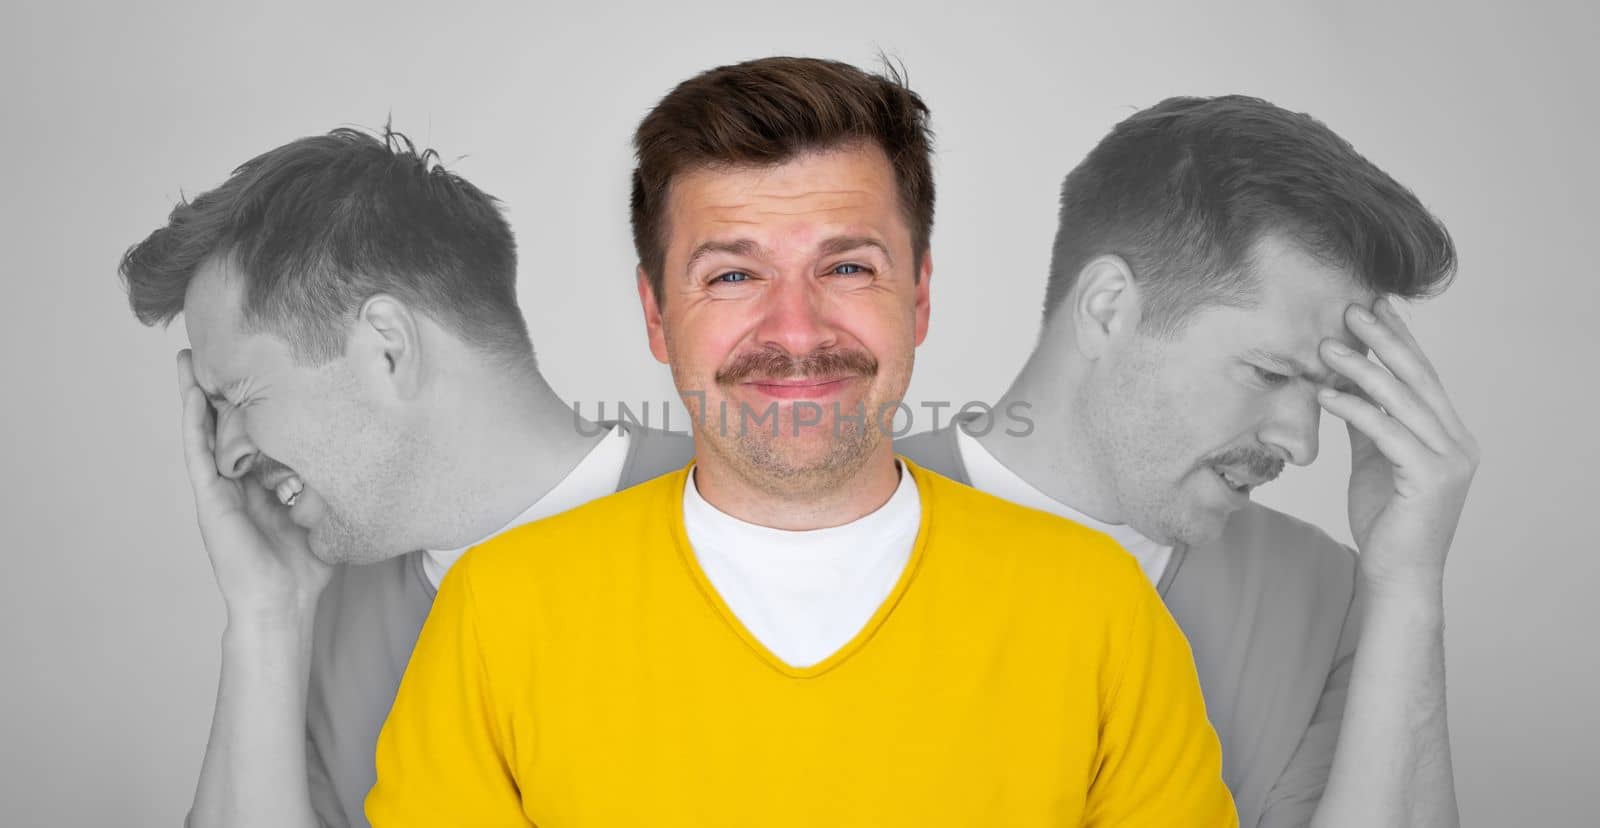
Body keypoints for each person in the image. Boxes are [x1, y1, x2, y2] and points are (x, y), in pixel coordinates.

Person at [366, 57, 1236, 827]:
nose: (796, 328)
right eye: (733, 275)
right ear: (656, 315)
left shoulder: (1098, 608)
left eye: (848, 266)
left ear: (919, 296)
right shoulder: (497, 613)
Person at [898, 95, 1477, 828]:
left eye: (1328, 393)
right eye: (1269, 373)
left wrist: (1410, 586)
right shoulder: (824, 518)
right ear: (1109, 308)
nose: (1303, 444)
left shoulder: (1329, 597)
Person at [117, 128, 692, 828]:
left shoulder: (741, 517)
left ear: (386, 348)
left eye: (238, 397)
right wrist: (270, 616)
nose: (226, 454)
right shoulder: (323, 604)